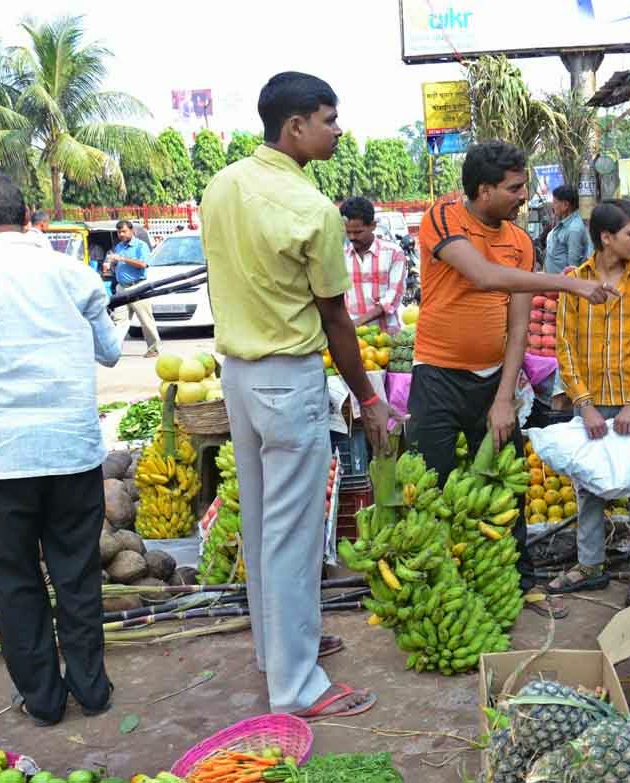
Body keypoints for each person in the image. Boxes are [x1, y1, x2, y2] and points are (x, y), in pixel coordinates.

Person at [202, 71, 396, 720]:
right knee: (291, 533)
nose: (338, 130)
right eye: (329, 118)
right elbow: (337, 318)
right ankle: (297, 684)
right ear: (295, 127)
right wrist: (369, 398)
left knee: (262, 524)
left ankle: (277, 649)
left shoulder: (221, 184)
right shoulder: (312, 210)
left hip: (238, 374)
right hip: (287, 376)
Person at [0, 172, 122, 726]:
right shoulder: (74, 273)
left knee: (16, 583)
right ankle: (92, 689)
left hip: (6, 461)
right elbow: (110, 351)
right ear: (28, 211)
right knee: (77, 575)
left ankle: (43, 700)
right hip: (74, 453)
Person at [407, 139, 617, 620]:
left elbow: (519, 324)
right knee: (431, 486)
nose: (525, 195)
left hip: (493, 381)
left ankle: (519, 582)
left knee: (508, 488)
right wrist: (570, 283)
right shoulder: (443, 218)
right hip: (436, 374)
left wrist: (505, 397)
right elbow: (482, 276)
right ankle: (432, 590)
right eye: (515, 188)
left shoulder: (521, 242)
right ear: (484, 190)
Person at [551, 200, 630, 605]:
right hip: (593, 404)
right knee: (589, 487)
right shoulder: (575, 281)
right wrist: (585, 404)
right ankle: (591, 565)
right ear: (606, 238)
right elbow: (565, 345)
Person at [340, 196, 407, 333]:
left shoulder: (393, 253)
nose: (352, 237)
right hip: (354, 337)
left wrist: (358, 322)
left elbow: (392, 298)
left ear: (373, 225)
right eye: (348, 232)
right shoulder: (342, 256)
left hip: (387, 335)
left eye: (358, 232)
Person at [108, 219, 161, 358]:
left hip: (138, 287)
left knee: (145, 319)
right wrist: (112, 264)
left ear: (132, 231)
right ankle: (114, 350)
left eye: (124, 231)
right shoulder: (119, 246)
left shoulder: (140, 246)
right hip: (122, 288)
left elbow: (143, 264)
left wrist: (122, 259)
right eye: (119, 232)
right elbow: (118, 263)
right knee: (119, 321)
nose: (121, 234)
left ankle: (153, 348)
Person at [543, 185, 591, 274]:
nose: (553, 206)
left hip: (562, 285)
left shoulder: (574, 229)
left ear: (565, 205)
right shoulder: (564, 223)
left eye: (555, 202)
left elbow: (573, 266)